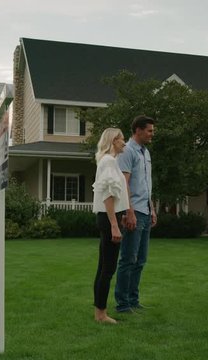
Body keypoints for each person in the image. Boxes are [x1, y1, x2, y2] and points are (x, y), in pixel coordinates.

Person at [114, 115, 157, 313]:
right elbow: (124, 183)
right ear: (138, 130)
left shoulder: (145, 153)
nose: (152, 134)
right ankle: (122, 304)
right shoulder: (127, 151)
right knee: (128, 259)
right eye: (149, 130)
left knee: (140, 260)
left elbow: (145, 184)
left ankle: (133, 300)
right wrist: (129, 211)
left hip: (145, 211)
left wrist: (152, 209)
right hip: (134, 212)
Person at [92, 128, 129, 324]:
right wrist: (114, 225)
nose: (125, 142)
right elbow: (107, 195)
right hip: (109, 220)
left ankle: (99, 312)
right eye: (122, 138)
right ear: (114, 141)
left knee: (103, 267)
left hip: (110, 218)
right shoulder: (109, 162)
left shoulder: (107, 161)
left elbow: (114, 196)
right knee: (108, 268)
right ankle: (101, 314)